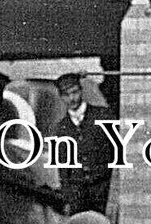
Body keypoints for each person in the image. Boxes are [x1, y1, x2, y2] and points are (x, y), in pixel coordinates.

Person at [49, 72, 115, 215]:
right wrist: (68, 199)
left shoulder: (103, 116)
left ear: (81, 91)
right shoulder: (61, 128)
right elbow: (63, 167)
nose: (72, 98)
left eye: (74, 92)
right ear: (61, 97)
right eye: (66, 95)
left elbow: (115, 154)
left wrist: (113, 195)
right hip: (77, 196)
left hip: (102, 191)